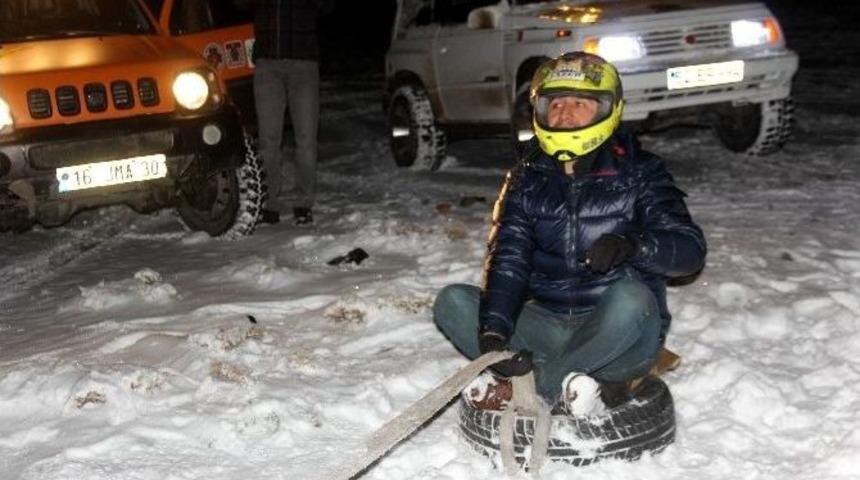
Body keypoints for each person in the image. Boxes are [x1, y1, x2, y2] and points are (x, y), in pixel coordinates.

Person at [432, 52, 707, 416]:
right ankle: (561, 378)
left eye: (580, 103)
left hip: (618, 334)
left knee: (632, 297)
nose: (565, 114)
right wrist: (495, 332)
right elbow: (510, 260)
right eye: (556, 103)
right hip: (549, 323)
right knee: (452, 301)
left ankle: (535, 389)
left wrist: (634, 246)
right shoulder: (528, 178)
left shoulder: (641, 172)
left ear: (607, 110)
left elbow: (690, 251)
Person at [251, 0, 334, 225]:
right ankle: (270, 205)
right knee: (268, 140)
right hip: (267, 65)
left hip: (304, 65)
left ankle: (303, 203)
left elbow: (329, 7)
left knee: (306, 138)